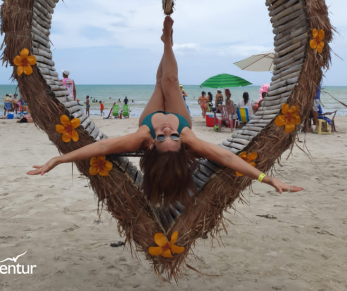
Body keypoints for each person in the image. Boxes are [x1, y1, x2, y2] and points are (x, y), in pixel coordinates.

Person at [28, 17, 303, 206]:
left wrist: (59, 159)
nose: (169, 134)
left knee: (161, 81)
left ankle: (165, 43)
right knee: (170, 81)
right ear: (182, 146)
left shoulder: (142, 138)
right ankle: (167, 42)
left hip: (148, 117)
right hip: (179, 113)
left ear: (151, 146)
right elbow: (226, 156)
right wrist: (268, 179)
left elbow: (99, 147)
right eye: (174, 140)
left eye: (163, 140)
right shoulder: (187, 138)